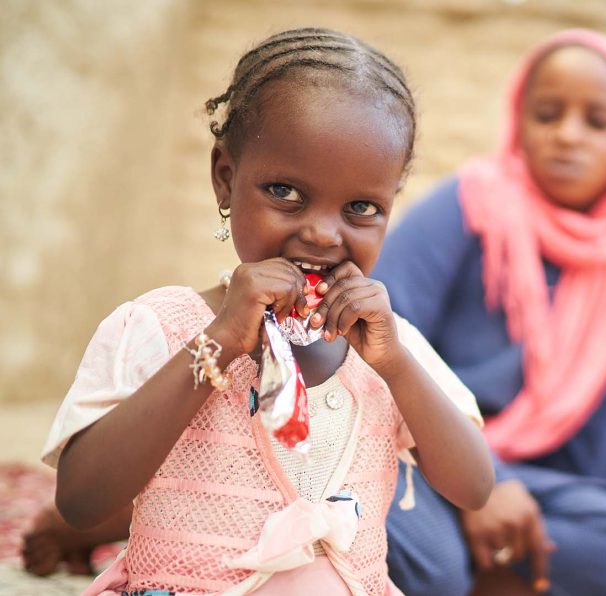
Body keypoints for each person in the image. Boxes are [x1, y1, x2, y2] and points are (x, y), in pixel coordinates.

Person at [35, 27, 493, 595]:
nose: (323, 233)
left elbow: (474, 487)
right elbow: (82, 500)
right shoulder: (159, 326)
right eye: (285, 192)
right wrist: (220, 341)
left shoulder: (389, 350)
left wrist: (397, 367)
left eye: (361, 207)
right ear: (226, 178)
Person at [376, 29, 606, 595]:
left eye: (597, 121)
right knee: (430, 565)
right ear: (518, 120)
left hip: (537, 491)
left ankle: (487, 564)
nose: (568, 136)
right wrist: (482, 486)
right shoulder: (471, 201)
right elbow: (380, 341)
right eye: (548, 114)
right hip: (427, 455)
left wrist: (604, 516)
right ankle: (479, 569)